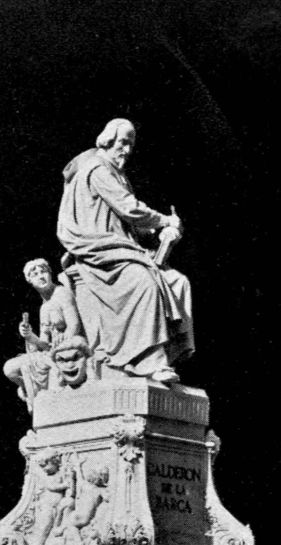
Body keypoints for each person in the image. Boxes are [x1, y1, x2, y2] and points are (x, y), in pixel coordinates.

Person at [57, 118, 194, 383]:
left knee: (178, 282)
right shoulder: (97, 169)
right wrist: (164, 220)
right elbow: (128, 208)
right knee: (144, 282)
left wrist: (158, 235)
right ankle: (148, 361)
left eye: (131, 144)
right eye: (123, 142)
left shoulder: (116, 173)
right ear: (108, 140)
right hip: (99, 249)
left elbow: (125, 223)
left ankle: (169, 355)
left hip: (121, 246)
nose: (127, 150)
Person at [3, 259, 83, 410]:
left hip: (68, 350)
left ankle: (41, 394)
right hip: (50, 353)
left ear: (50, 273)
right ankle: (30, 389)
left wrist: (59, 349)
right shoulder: (44, 308)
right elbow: (44, 344)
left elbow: (74, 326)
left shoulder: (62, 293)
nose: (41, 276)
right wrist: (30, 336)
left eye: (43, 272)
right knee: (10, 368)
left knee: (52, 374)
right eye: (35, 274)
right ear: (30, 281)